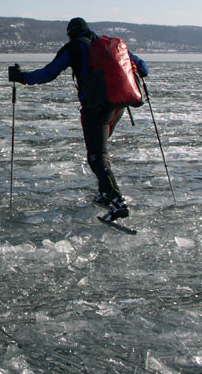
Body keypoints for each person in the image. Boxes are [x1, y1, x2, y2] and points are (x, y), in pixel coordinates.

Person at [8, 17, 149, 221]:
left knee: (96, 157)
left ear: (71, 32)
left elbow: (49, 73)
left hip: (96, 109)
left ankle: (118, 202)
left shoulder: (74, 48)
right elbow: (144, 68)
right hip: (118, 106)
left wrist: (21, 77)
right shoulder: (110, 45)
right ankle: (103, 193)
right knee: (100, 151)